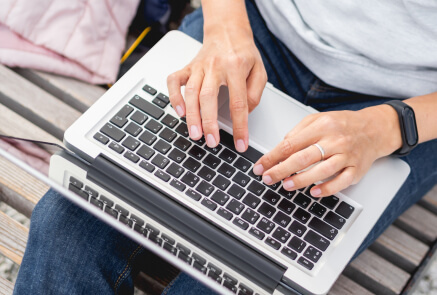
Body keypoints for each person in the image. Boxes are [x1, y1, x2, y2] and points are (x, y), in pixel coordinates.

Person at [14, 0, 437, 294]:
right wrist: (224, 26)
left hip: (405, 105)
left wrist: (388, 126)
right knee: (65, 227)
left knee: (249, 279)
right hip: (252, 28)